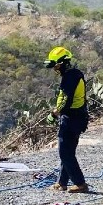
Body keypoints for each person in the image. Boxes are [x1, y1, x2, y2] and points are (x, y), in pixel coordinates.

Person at [44, 46, 90, 194]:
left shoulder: (69, 78)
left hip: (71, 119)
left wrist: (54, 114)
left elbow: (65, 102)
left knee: (65, 153)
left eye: (56, 65)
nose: (55, 69)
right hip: (78, 118)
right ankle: (62, 183)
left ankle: (80, 183)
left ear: (63, 63)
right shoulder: (75, 74)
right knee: (68, 151)